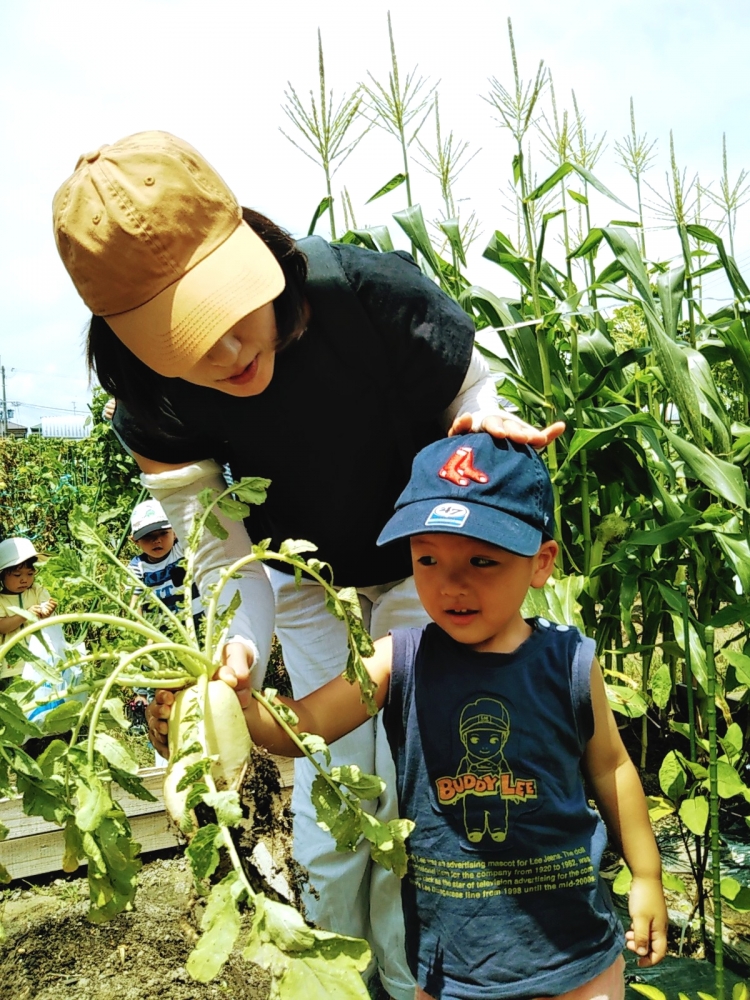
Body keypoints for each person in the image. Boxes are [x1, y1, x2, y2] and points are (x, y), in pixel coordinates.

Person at [52, 130, 564, 1000]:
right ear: (132, 343)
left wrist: (481, 425)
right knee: (337, 787)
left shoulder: (369, 297)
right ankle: (339, 971)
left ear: (256, 257)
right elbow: (220, 543)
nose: (224, 355)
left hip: (420, 568)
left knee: (417, 783)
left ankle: (418, 981)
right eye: (184, 338)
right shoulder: (149, 398)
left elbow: (475, 392)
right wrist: (239, 643)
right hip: (299, 576)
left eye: (228, 314)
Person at [239, 434, 668, 1000]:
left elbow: (611, 767)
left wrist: (646, 875)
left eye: (482, 560)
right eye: (428, 558)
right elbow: (304, 726)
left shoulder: (571, 662)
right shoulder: (398, 659)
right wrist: (243, 701)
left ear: (541, 563)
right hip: (453, 969)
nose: (451, 583)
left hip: (575, 959)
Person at [0, 537, 58, 677]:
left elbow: (47, 610)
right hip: (12, 667)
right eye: (17, 574)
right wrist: (25, 615)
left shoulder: (37, 591)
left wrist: (48, 610)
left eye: (30, 574)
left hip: (42, 661)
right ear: (2, 576)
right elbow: (2, 627)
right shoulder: (1, 600)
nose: (24, 579)